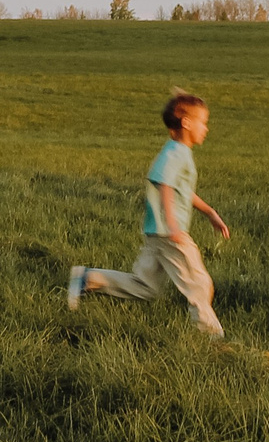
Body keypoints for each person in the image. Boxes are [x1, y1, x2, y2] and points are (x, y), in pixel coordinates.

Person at [66, 92, 231, 341]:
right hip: (169, 234)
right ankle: (212, 337)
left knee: (146, 286)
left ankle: (89, 278)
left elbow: (182, 191)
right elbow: (164, 184)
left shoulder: (178, 151)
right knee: (198, 282)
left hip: (157, 232)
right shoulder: (176, 153)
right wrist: (173, 225)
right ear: (186, 122)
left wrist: (209, 212)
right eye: (203, 122)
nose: (206, 128)